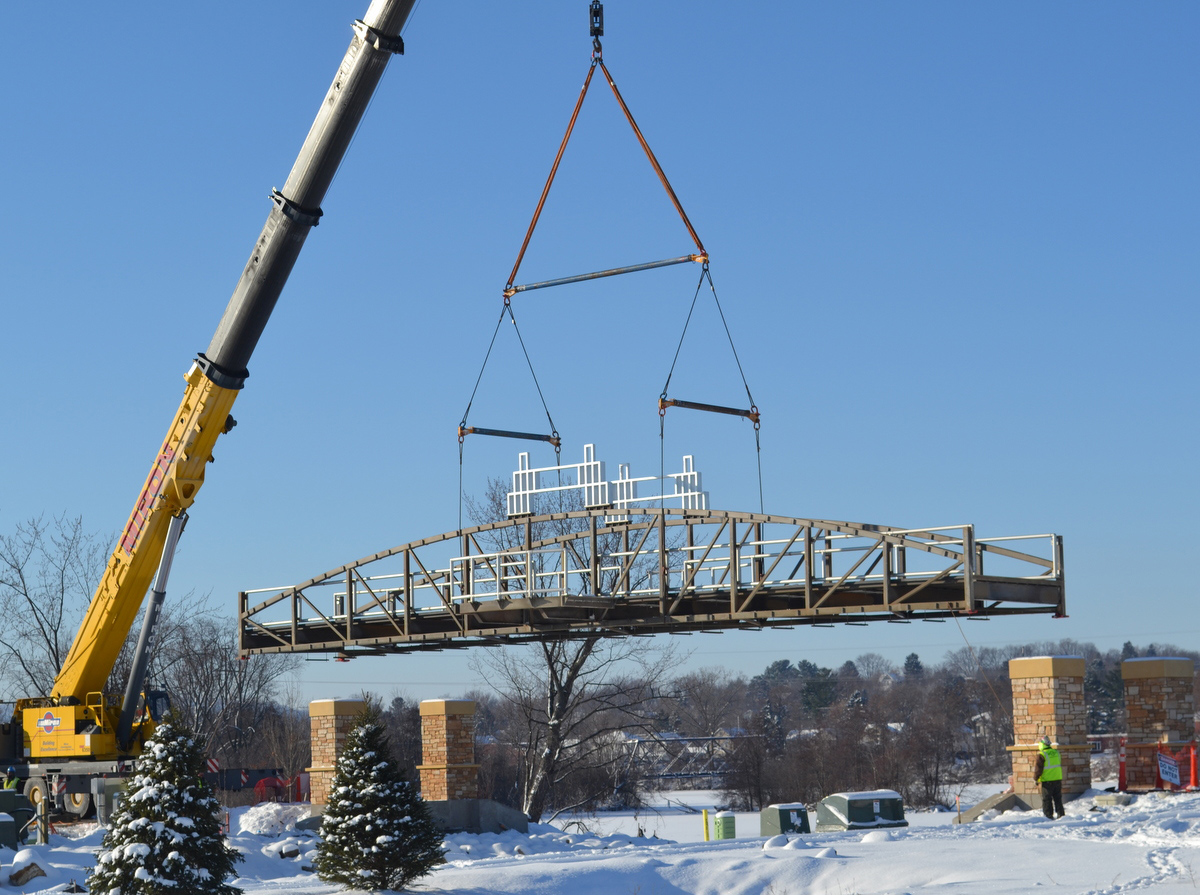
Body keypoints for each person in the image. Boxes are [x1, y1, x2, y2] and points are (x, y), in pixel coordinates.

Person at [1034, 735, 1064, 819]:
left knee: (1047, 799)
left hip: (1047, 781)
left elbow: (1038, 769)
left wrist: (1036, 779)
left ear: (1041, 744)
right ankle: (1061, 814)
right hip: (1057, 779)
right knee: (1058, 798)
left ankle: (1048, 816)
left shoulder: (1042, 754)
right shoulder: (1056, 752)